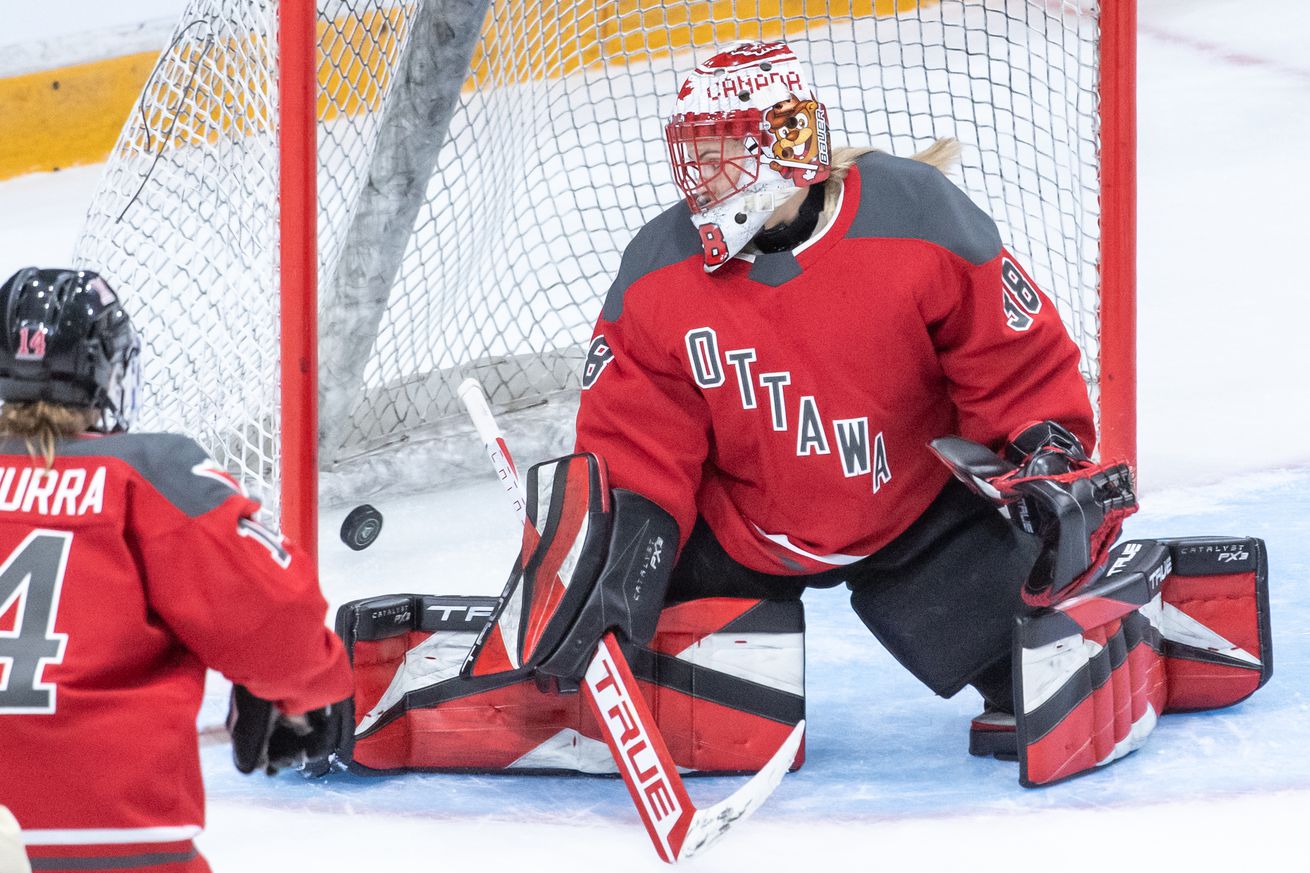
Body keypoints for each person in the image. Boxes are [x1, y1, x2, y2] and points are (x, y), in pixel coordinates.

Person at [567, 40, 1129, 740]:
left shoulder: (914, 214)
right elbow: (635, 431)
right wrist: (617, 556)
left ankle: (1104, 617)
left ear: (791, 144)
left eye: (724, 150)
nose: (702, 176)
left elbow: (1009, 356)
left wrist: (1047, 449)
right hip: (742, 536)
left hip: (915, 516)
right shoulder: (659, 271)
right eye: (695, 150)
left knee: (1045, 684)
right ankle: (560, 669)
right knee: (647, 679)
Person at [0, 268, 354, 872]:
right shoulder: (153, 473)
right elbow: (279, 624)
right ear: (110, 371)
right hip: (108, 831)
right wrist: (304, 693)